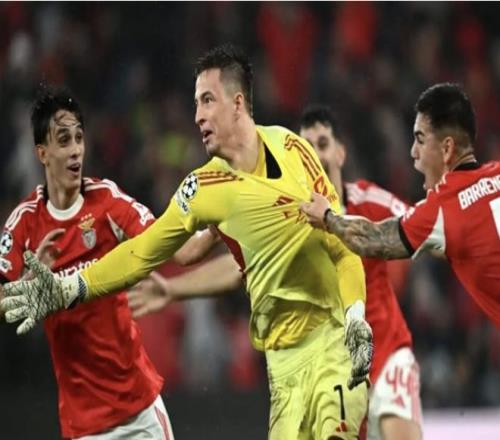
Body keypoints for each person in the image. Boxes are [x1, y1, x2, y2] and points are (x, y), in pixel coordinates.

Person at [2, 45, 372, 440]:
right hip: (282, 369)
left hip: (332, 341)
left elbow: (342, 246)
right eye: (196, 103)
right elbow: (144, 252)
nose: (197, 116)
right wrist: (65, 288)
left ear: (238, 103)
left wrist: (355, 315)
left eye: (207, 100)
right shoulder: (202, 189)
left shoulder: (294, 148)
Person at [128, 105, 423, 440]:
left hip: (384, 353)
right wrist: (172, 289)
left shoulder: (368, 201)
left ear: (340, 153)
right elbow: (239, 269)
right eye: (308, 146)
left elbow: (423, 229)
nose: (316, 154)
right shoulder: (288, 211)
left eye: (323, 144)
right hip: (323, 362)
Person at [0, 85, 174, 440]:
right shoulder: (24, 223)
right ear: (42, 152)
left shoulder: (106, 200)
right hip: (83, 426)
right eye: (64, 140)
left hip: (139, 410)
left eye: (79, 138)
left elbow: (168, 241)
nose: (76, 149)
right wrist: (28, 285)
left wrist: (209, 221)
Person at [300, 83, 500, 328]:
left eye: (420, 140)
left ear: (447, 148)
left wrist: (328, 217)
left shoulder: (441, 211)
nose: (413, 152)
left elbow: (371, 240)